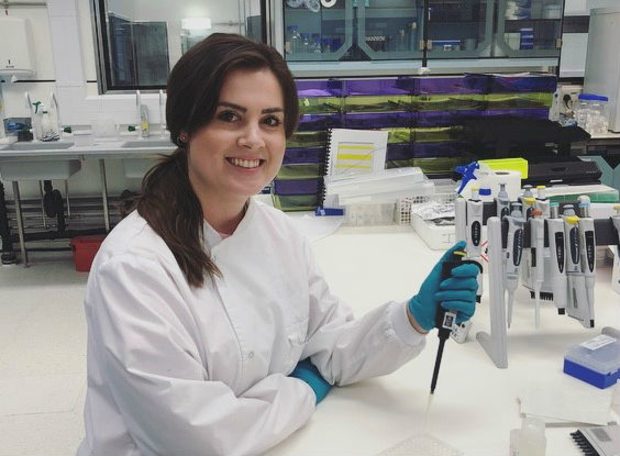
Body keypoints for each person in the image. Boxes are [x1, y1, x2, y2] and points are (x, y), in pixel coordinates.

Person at [77, 33, 480, 456]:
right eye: (229, 116)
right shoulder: (135, 267)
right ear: (185, 127)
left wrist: (413, 317)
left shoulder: (279, 233)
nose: (253, 139)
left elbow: (329, 345)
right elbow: (197, 438)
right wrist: (301, 390)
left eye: (270, 121)